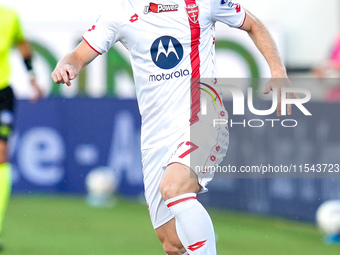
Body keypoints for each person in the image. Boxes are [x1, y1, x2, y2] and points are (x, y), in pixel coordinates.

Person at [52, 1, 291, 254]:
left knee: (174, 188)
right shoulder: (120, 12)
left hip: (204, 120)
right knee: (172, 243)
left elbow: (253, 24)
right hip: (155, 136)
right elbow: (78, 55)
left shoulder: (202, 3)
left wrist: (278, 71)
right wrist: (67, 65)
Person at [0, 5, 43, 251]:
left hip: (2, 93)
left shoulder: (9, 16)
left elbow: (22, 44)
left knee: (1, 154)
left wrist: (32, 76)